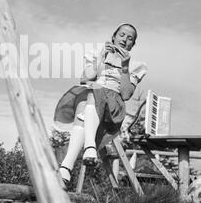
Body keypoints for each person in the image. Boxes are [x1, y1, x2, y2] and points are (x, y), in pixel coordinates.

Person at [53, 23, 147, 185]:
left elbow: (125, 94)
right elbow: (85, 78)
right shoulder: (97, 54)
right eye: (122, 35)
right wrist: (102, 56)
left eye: (130, 38)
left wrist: (124, 68)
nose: (125, 39)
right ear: (113, 37)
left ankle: (72, 162)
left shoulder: (135, 66)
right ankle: (73, 162)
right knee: (88, 95)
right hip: (92, 98)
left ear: (133, 45)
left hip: (113, 105)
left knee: (92, 93)